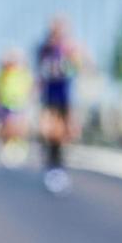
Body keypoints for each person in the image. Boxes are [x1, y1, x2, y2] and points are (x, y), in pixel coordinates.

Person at [36, 17, 82, 193]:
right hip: (49, 98)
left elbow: (77, 66)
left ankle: (59, 168)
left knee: (65, 134)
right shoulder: (45, 48)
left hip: (65, 97)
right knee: (50, 132)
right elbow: (41, 72)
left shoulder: (70, 48)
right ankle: (52, 168)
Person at [0, 49, 35, 151]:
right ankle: (7, 144)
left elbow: (30, 87)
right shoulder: (2, 74)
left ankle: (18, 144)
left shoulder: (23, 73)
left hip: (19, 104)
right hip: (5, 104)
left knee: (18, 126)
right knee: (6, 125)